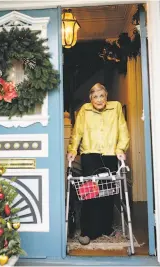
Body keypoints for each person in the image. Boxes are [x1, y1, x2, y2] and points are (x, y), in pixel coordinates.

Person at [67, 83, 130, 245]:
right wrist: (72, 149)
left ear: (106, 96)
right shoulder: (85, 110)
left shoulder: (115, 107)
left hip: (110, 153)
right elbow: (77, 132)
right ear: (91, 98)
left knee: (108, 191)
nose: (99, 99)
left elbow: (123, 129)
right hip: (90, 153)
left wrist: (121, 148)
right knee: (91, 192)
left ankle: (105, 227)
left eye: (102, 95)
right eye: (95, 96)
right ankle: (88, 230)